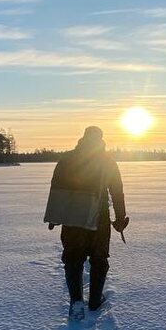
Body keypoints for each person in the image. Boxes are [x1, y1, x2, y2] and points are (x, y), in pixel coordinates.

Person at [48, 125, 128, 317]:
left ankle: (76, 301)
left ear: (83, 138)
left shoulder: (67, 159)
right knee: (99, 258)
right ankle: (94, 300)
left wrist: (55, 215)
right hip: (99, 216)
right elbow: (117, 191)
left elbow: (56, 187)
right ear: (101, 139)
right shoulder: (107, 161)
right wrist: (119, 218)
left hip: (72, 215)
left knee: (73, 258)